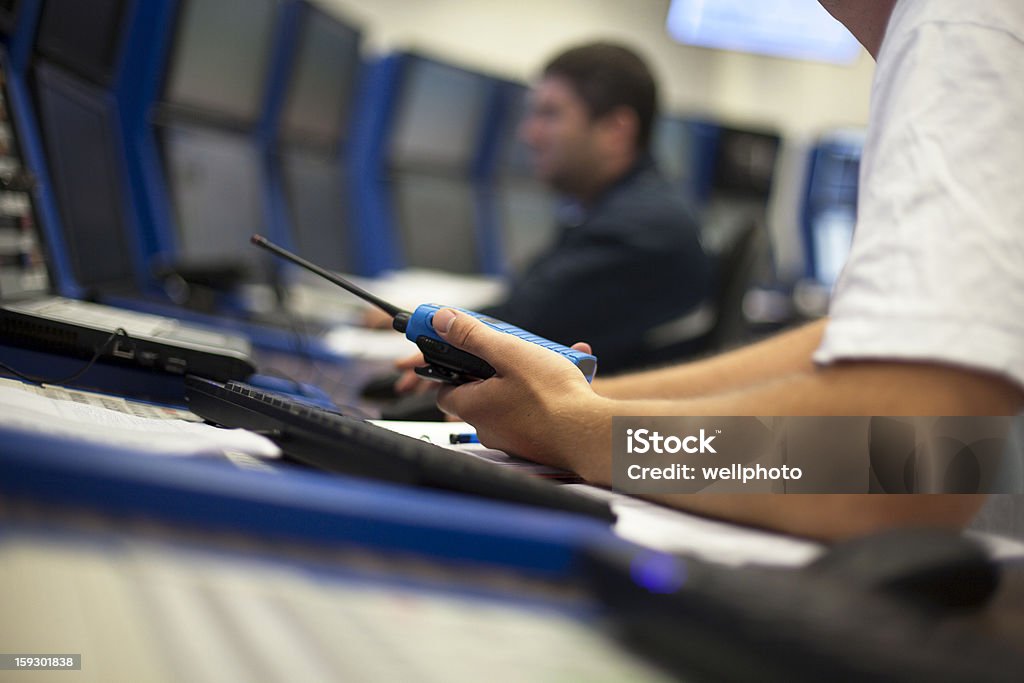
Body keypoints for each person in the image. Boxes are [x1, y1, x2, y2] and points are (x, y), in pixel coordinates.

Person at [399, 0, 1024, 540]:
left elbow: (902, 462)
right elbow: (862, 341)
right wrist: (573, 400)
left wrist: (581, 430)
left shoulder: (965, 26)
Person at [372, 42, 712, 374]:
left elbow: (517, 328)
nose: (528, 133)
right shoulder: (625, 210)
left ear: (615, 130)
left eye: (549, 114)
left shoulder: (639, 229)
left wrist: (417, 322)